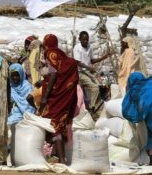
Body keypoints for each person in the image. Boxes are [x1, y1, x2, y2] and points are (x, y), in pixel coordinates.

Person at [38, 34, 79, 164]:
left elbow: (54, 72)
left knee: (52, 123)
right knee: (57, 125)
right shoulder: (60, 54)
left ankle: (61, 158)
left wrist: (46, 95)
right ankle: (58, 156)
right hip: (65, 95)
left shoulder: (50, 53)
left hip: (56, 96)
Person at [73, 31, 114, 116]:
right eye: (83, 39)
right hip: (80, 72)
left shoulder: (89, 47)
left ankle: (97, 106)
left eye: (87, 39)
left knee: (100, 85)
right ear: (79, 39)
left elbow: (92, 60)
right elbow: (78, 62)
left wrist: (105, 56)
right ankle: (92, 108)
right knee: (94, 87)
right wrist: (89, 68)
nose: (85, 41)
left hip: (87, 71)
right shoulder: (77, 48)